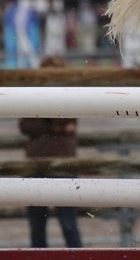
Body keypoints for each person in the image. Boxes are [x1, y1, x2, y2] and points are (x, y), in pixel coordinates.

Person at [18, 56, 83, 248]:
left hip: (56, 163)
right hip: (47, 162)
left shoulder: (65, 96)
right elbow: (26, 126)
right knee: (39, 225)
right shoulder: (66, 96)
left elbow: (33, 125)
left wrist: (45, 123)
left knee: (67, 224)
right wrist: (56, 126)